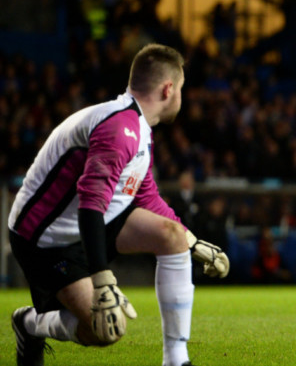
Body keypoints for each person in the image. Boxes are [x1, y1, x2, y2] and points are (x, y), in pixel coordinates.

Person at [9, 43, 229, 366]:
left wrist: (190, 240)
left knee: (172, 236)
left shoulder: (136, 125)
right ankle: (30, 324)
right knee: (105, 330)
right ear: (169, 89)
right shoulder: (120, 129)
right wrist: (102, 278)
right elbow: (90, 202)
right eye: (181, 88)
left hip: (86, 223)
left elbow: (145, 195)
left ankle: (176, 360)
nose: (181, 95)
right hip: (46, 239)